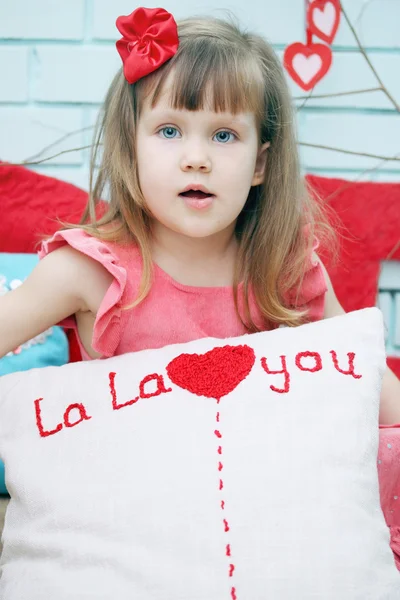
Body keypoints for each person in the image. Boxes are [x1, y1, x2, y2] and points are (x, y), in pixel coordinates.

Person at [0, 7, 399, 423]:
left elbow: (378, 393)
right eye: (169, 131)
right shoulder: (90, 271)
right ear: (131, 148)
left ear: (260, 164)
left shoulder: (285, 268)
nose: (196, 159)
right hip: (123, 485)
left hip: (254, 484)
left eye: (224, 135)